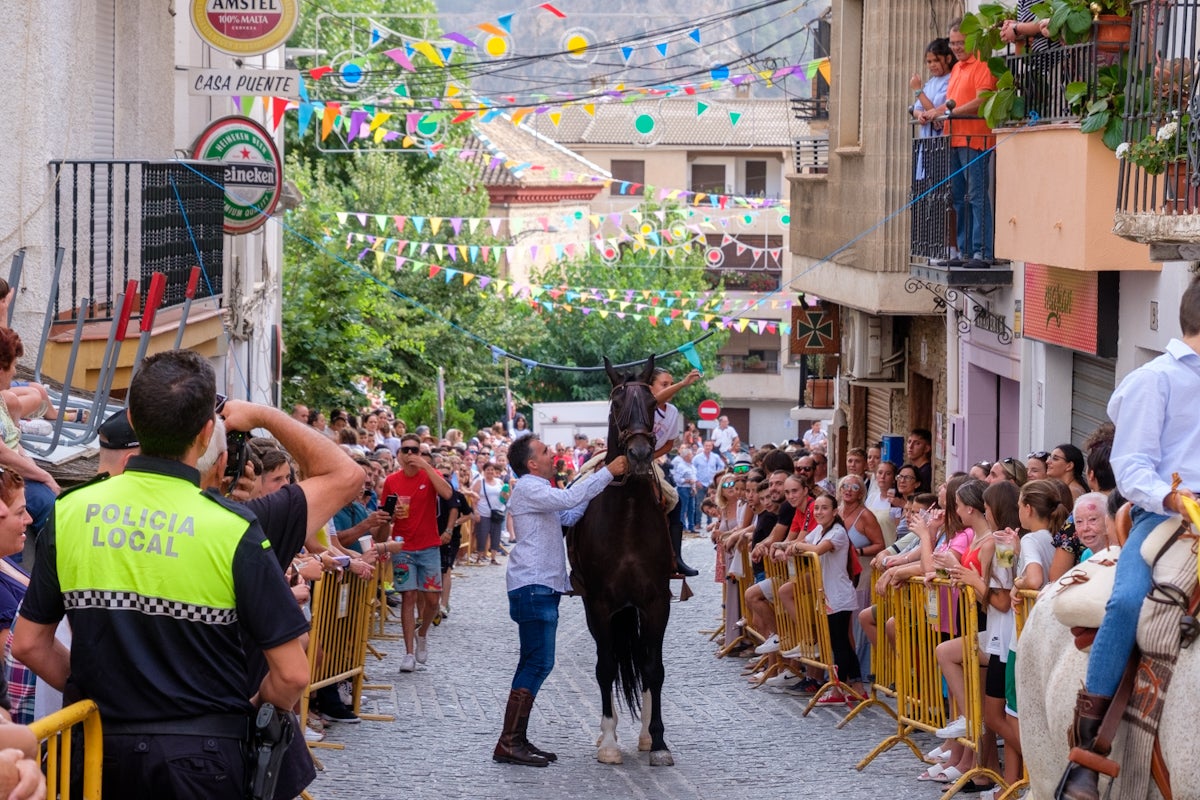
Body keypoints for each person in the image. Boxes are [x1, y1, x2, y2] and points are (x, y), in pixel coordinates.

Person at [13, 349, 310, 800]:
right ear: (207, 431)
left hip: (94, 752)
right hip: (204, 758)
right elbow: (291, 675)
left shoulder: (70, 512)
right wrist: (250, 712)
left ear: (131, 418)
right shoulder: (231, 528)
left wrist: (100, 692)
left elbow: (30, 643)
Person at [1058, 281, 1200, 800]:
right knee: (1124, 601)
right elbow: (1132, 467)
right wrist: (1177, 500)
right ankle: (1087, 753)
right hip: (1163, 516)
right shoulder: (1154, 380)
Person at [494, 436, 627, 767]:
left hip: (540, 586)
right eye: (544, 451)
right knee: (537, 663)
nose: (552, 453)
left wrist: (593, 479)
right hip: (533, 586)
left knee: (534, 661)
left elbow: (568, 513)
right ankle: (509, 741)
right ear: (532, 464)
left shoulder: (538, 490)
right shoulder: (527, 486)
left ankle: (517, 739)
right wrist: (607, 472)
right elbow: (568, 498)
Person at [921, 20, 997, 268]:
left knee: (975, 196)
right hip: (954, 139)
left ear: (973, 39)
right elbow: (951, 103)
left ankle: (981, 253)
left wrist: (949, 113)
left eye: (960, 43)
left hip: (974, 139)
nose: (956, 48)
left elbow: (982, 100)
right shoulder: (957, 69)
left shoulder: (982, 64)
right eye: (953, 43)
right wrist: (935, 113)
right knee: (958, 198)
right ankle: (965, 252)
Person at [381, 432, 454, 673]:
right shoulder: (392, 480)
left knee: (432, 599)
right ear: (399, 455)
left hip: (429, 546)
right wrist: (392, 515)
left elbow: (447, 494)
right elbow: (386, 512)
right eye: (406, 450)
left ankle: (422, 633)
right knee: (408, 597)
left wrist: (427, 466)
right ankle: (409, 653)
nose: (410, 454)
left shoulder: (428, 475)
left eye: (415, 450)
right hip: (403, 546)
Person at [907, 428, 934, 493]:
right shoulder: (915, 469)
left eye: (917, 443)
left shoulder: (926, 472)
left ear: (926, 448)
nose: (910, 446)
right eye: (909, 442)